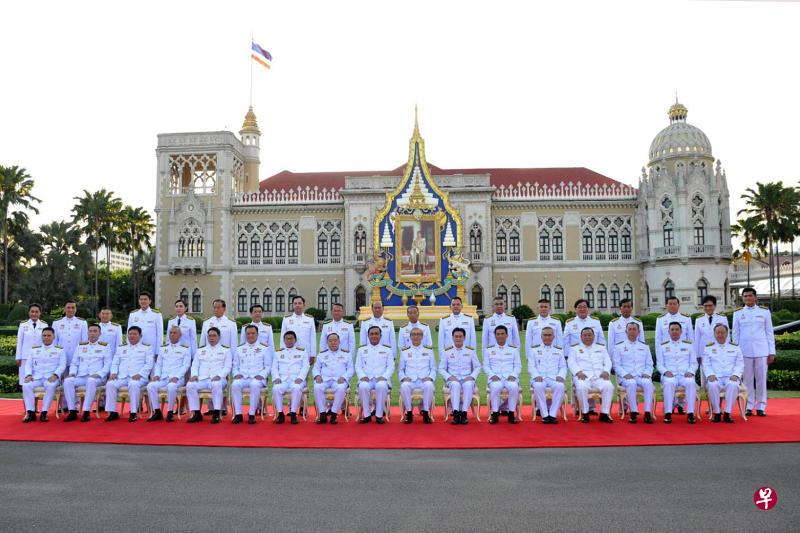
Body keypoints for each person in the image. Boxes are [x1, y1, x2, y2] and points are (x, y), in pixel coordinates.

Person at [733, 287, 775, 417]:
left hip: (762, 350)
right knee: (747, 380)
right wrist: (736, 352)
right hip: (744, 351)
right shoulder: (738, 313)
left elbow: (769, 333)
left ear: (755, 297)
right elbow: (735, 335)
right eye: (745, 296)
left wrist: (771, 352)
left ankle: (761, 406)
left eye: (750, 296)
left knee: (761, 379)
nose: (747, 298)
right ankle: (749, 406)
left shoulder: (764, 311)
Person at [62, 324, 112, 422]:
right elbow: (74, 363)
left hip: (97, 377)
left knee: (91, 381)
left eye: (95, 331)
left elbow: (108, 365)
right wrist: (72, 373)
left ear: (100, 333)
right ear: (87, 333)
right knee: (67, 381)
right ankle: (72, 411)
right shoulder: (81, 346)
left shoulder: (105, 346)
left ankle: (86, 411)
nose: (92, 333)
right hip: (81, 376)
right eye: (90, 331)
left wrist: (99, 374)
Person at [105, 326, 154, 422]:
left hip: (139, 377)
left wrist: (140, 374)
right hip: (122, 376)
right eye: (130, 334)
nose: (132, 336)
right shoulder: (121, 348)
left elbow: (149, 364)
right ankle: (112, 412)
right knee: (110, 384)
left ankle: (133, 412)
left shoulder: (146, 348)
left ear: (140, 336)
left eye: (135, 334)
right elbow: (115, 362)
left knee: (133, 384)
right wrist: (114, 372)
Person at [146, 325, 191, 422]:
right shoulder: (163, 348)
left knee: (171, 386)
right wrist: (157, 374)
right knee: (150, 386)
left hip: (177, 378)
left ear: (180, 335)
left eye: (175, 333)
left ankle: (170, 412)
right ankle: (157, 411)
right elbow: (158, 364)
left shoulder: (185, 348)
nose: (172, 335)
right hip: (163, 377)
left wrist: (177, 377)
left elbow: (186, 366)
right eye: (170, 333)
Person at [568, 327, 614, 423]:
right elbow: (571, 362)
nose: (587, 337)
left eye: (590, 335)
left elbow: (608, 361)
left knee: (609, 386)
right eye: (585, 335)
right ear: (581, 337)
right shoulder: (574, 348)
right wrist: (578, 372)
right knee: (581, 387)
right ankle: (585, 413)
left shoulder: (601, 348)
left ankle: (604, 413)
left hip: (599, 376)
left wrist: (606, 371)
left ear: (594, 336)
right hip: (583, 376)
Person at [186, 327, 232, 424]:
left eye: (214, 336)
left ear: (219, 337)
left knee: (216, 385)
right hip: (202, 378)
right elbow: (195, 365)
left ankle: (216, 413)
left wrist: (220, 375)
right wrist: (194, 375)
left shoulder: (226, 350)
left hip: (219, 379)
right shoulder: (200, 350)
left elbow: (228, 367)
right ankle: (197, 413)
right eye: (210, 336)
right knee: (190, 385)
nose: (211, 338)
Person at [612, 322, 654, 424]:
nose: (632, 331)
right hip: (626, 376)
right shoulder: (619, 346)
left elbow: (649, 364)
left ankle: (648, 412)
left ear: (638, 332)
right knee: (631, 383)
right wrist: (625, 374)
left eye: (634, 329)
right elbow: (616, 365)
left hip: (641, 375)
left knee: (648, 384)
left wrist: (647, 373)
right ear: (626, 331)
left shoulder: (644, 347)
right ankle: (634, 412)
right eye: (629, 329)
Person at [656, 322, 698, 424]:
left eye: (677, 329)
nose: (674, 332)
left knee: (691, 383)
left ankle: (691, 413)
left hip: (685, 374)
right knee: (669, 383)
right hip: (670, 375)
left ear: (681, 331)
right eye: (672, 330)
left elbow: (694, 363)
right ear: (669, 332)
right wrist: (665, 372)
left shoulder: (688, 345)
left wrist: (690, 371)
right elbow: (659, 364)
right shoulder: (662, 346)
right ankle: (668, 413)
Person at [230, 325, 272, 424]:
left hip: (257, 377)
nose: (250, 335)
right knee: (235, 384)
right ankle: (238, 414)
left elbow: (268, 366)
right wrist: (236, 374)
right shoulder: (240, 348)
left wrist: (262, 375)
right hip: (243, 377)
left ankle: (252, 414)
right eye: (248, 333)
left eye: (253, 333)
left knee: (254, 384)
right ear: (245, 335)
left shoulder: (264, 348)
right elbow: (235, 365)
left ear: (257, 334)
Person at [21, 327, 65, 422]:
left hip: (51, 377)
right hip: (36, 377)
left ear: (53, 337)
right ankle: (30, 412)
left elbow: (62, 365)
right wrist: (28, 375)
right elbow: (28, 364)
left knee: (50, 386)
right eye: (44, 335)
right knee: (26, 385)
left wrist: (56, 375)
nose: (46, 337)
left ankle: (44, 412)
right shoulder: (34, 350)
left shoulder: (59, 350)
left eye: (49, 335)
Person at [703, 323, 744, 423]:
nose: (720, 335)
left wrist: (736, 375)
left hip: (730, 376)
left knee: (733, 385)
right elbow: (706, 364)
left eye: (722, 332)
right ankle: (717, 412)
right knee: (712, 385)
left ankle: (727, 413)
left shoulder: (735, 347)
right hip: (715, 377)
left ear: (727, 334)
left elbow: (740, 364)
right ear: (714, 334)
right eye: (718, 333)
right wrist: (710, 375)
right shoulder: (708, 348)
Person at [439, 327, 481, 425]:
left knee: (468, 385)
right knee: (455, 385)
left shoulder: (470, 351)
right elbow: (441, 368)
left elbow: (478, 367)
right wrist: (449, 377)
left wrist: (472, 376)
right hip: (453, 379)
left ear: (464, 337)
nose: (458, 338)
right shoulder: (447, 351)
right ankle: (456, 413)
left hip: (467, 378)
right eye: (456, 336)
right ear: (452, 337)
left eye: (460, 336)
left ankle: (464, 414)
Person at [356, 325, 395, 424]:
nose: (374, 336)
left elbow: (390, 367)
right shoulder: (361, 350)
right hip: (367, 378)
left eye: (376, 334)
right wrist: (362, 376)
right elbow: (358, 366)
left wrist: (384, 377)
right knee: (363, 386)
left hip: (381, 378)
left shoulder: (387, 349)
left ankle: (378, 415)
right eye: (371, 334)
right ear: (368, 336)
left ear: (381, 336)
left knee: (381, 385)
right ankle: (367, 415)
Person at [312, 333, 353, 424]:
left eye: (335, 340)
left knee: (341, 388)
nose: (333, 343)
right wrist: (317, 376)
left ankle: (334, 414)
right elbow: (316, 368)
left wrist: (344, 377)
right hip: (324, 379)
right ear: (327, 342)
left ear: (339, 342)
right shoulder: (322, 354)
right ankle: (322, 414)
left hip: (339, 380)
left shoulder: (346, 354)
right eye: (330, 341)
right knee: (317, 387)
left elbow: (350, 369)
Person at [528, 326, 567, 424]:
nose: (547, 337)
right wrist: (536, 375)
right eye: (545, 335)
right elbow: (531, 366)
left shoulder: (559, 350)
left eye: (550, 335)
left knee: (560, 386)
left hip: (554, 377)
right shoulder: (534, 350)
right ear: (541, 336)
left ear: (553, 337)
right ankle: (544, 414)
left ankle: (553, 414)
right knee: (538, 386)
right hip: (539, 377)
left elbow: (563, 366)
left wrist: (561, 376)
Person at [484, 325, 521, 424]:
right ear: (495, 336)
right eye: (498, 334)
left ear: (507, 335)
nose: (500, 336)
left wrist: (513, 375)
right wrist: (492, 375)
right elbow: (486, 366)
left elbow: (518, 366)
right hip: (495, 377)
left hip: (510, 377)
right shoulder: (489, 350)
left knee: (513, 387)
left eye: (502, 334)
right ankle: (495, 413)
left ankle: (511, 413)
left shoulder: (513, 349)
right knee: (496, 387)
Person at [398, 327, 436, 424]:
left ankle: (426, 412)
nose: (416, 336)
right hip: (410, 380)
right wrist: (403, 378)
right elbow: (401, 369)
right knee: (404, 386)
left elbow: (433, 368)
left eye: (418, 334)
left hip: (424, 379)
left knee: (429, 385)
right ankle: (409, 412)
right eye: (413, 334)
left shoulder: (429, 350)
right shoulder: (404, 351)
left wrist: (430, 377)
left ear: (422, 336)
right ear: (410, 337)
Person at [271, 330, 309, 424]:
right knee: (276, 388)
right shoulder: (278, 352)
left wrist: (300, 378)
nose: (289, 341)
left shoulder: (302, 352)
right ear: (284, 340)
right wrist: (276, 378)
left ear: (295, 340)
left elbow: (306, 366)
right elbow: (274, 368)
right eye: (287, 339)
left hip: (296, 379)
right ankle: (280, 414)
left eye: (291, 339)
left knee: (296, 388)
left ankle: (293, 413)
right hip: (282, 380)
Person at [16, 303, 47, 386]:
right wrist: (18, 357)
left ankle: (34, 399)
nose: (34, 314)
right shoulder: (23, 325)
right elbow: (19, 341)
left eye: (36, 312)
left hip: (39, 357)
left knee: (36, 380)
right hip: (25, 357)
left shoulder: (44, 325)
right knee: (24, 380)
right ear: (29, 313)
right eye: (32, 311)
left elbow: (46, 342)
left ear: (40, 313)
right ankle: (25, 399)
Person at [280, 295, 317, 362]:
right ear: (292, 305)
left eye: (299, 303)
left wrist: (313, 354)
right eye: (295, 303)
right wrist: (282, 352)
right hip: (290, 352)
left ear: (304, 305)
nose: (297, 305)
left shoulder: (310, 319)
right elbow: (283, 337)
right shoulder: (286, 319)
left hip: (306, 352)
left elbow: (312, 338)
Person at [693, 295, 728, 364]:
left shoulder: (722, 318)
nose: (708, 308)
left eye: (710, 305)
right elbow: (697, 339)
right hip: (704, 352)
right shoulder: (699, 320)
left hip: (719, 351)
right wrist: (697, 355)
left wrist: (726, 352)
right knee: (704, 373)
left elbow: (727, 337)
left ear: (715, 306)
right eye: (705, 306)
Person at [53, 300, 89, 367]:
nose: (71, 310)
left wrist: (83, 356)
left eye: (73, 307)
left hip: (77, 355)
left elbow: (85, 341)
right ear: (64, 309)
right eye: (68, 307)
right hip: (61, 356)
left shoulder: (82, 322)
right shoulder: (56, 323)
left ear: (76, 309)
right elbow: (54, 341)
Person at [126, 292, 163, 356]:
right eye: (141, 299)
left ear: (150, 301)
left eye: (145, 299)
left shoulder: (156, 314)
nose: (143, 301)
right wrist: (128, 348)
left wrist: (158, 351)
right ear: (139, 301)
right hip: (136, 348)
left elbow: (160, 334)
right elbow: (128, 333)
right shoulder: (133, 314)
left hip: (151, 348)